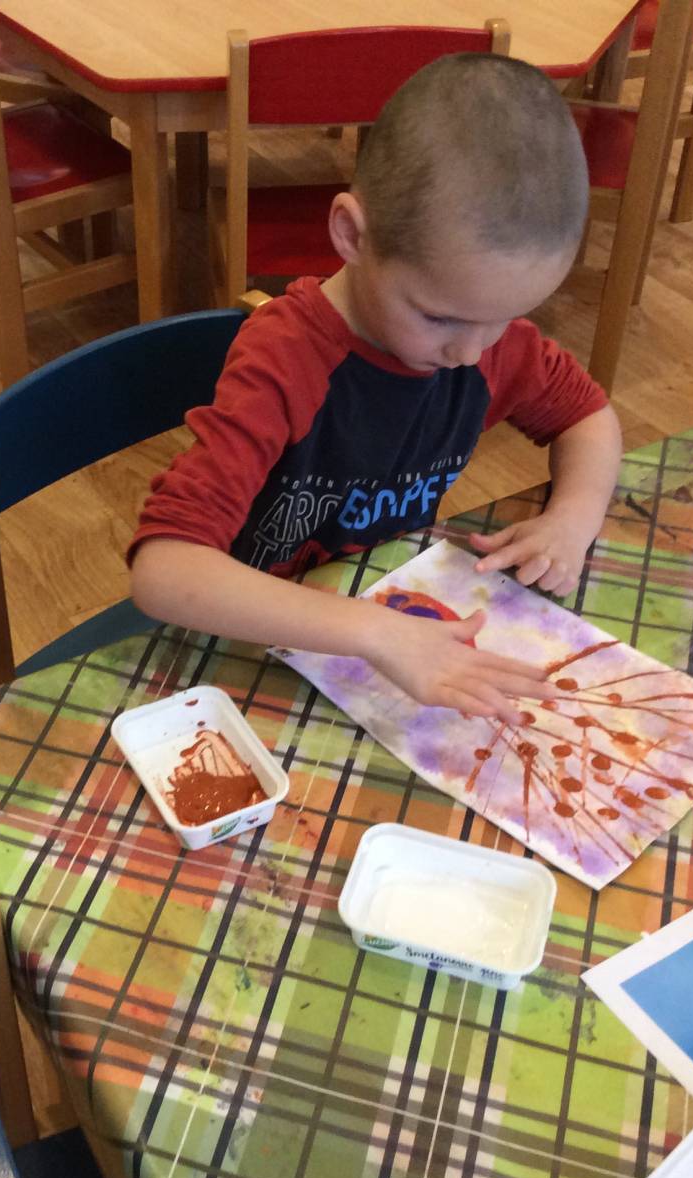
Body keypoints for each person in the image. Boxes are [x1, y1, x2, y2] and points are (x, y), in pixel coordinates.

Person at [129, 53, 623, 723]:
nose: (469, 351)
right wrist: (377, 633)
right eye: (439, 317)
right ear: (351, 234)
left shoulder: (486, 339)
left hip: (389, 611)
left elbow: (586, 415)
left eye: (505, 317)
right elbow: (164, 570)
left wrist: (572, 520)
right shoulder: (286, 359)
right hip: (254, 638)